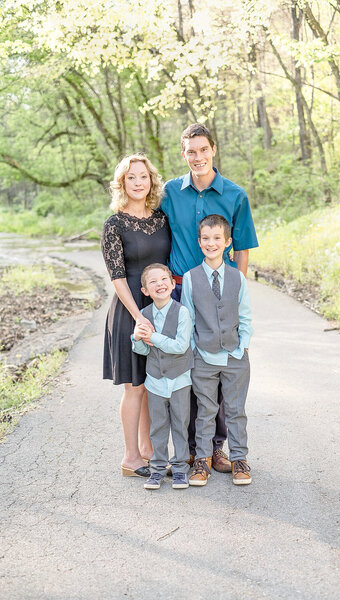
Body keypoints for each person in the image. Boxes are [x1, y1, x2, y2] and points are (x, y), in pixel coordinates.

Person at [161, 123, 258, 473]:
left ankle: (215, 448)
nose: (197, 157)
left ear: (213, 149)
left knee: (218, 370)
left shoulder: (235, 195)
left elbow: (243, 249)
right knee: (184, 372)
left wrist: (233, 294)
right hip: (178, 292)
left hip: (219, 295)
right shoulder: (170, 192)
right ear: (183, 154)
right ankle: (189, 449)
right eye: (191, 151)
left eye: (203, 149)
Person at [101, 154, 170, 478]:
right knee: (134, 387)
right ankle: (131, 457)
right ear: (122, 183)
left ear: (151, 181)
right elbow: (117, 277)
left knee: (151, 383)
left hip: (159, 310)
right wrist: (139, 317)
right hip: (130, 313)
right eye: (132, 177)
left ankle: (149, 451)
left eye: (143, 176)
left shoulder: (161, 219)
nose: (139, 182)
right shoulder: (114, 224)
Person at [181, 214, 253, 486]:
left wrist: (243, 347)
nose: (211, 243)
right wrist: (193, 353)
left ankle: (239, 459)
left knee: (236, 410)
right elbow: (188, 319)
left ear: (227, 242)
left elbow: (245, 316)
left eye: (217, 239)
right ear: (199, 242)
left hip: (235, 357)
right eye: (206, 239)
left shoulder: (237, 277)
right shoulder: (190, 278)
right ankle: (202, 461)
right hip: (204, 356)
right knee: (205, 411)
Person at [131, 263, 193, 490]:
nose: (160, 284)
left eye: (163, 279)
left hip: (179, 380)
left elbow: (180, 346)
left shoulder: (182, 312)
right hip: (155, 381)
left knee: (180, 424)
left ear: (172, 282)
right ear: (145, 290)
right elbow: (145, 351)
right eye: (153, 282)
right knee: (157, 427)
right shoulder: (144, 316)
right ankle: (157, 469)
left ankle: (180, 469)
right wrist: (137, 339)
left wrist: (153, 337)